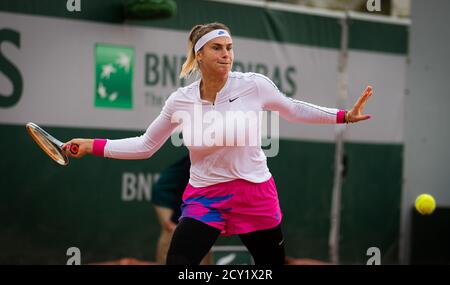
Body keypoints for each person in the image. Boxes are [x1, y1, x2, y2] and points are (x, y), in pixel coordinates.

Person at [63, 22, 373, 265]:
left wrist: (344, 116)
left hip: (254, 194)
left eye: (229, 47)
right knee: (178, 261)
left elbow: (293, 109)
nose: (226, 54)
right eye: (217, 48)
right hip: (205, 197)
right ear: (199, 55)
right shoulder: (180, 101)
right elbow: (146, 145)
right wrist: (92, 145)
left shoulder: (254, 85)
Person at [152, 155, 213, 265]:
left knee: (201, 237)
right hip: (168, 197)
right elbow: (185, 189)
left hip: (189, 200)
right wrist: (175, 220)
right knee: (173, 234)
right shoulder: (199, 160)